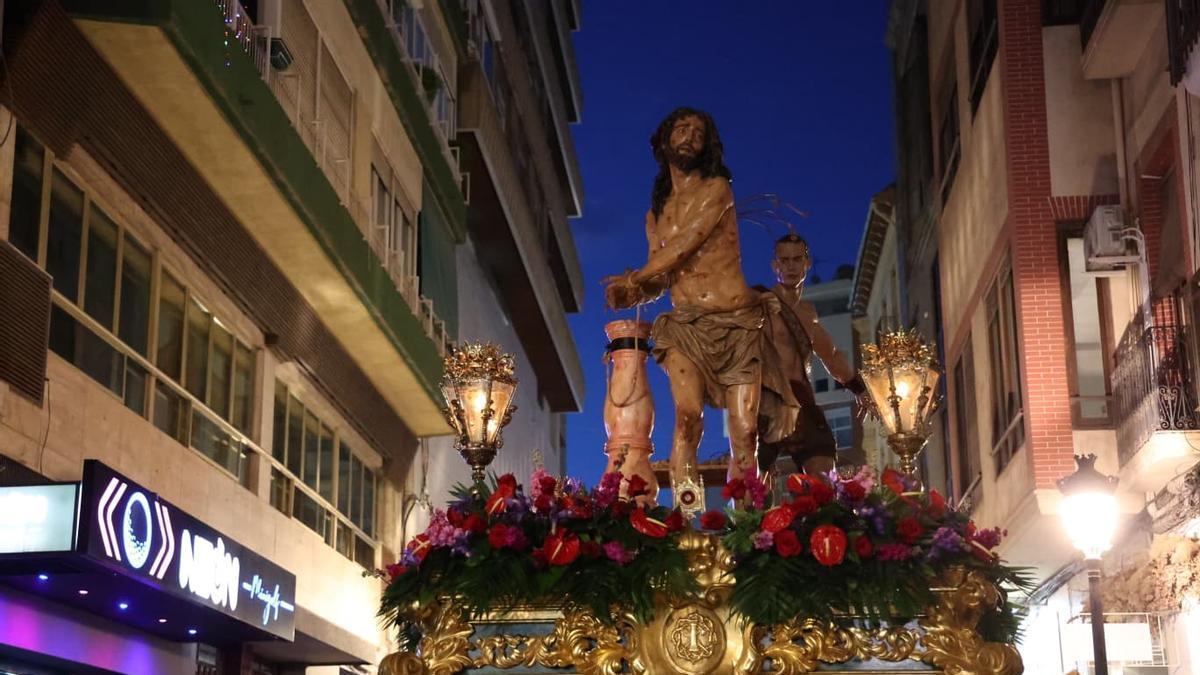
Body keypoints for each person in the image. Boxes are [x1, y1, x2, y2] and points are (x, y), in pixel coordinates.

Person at [604, 107, 798, 486]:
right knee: (687, 418)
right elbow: (663, 274)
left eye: (698, 131)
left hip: (737, 324)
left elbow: (684, 245)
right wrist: (634, 291)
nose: (689, 136)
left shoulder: (717, 189)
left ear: (708, 144)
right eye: (681, 128)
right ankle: (684, 517)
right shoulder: (655, 215)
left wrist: (633, 276)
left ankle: (748, 523)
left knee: (743, 432)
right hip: (686, 327)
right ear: (665, 140)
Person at [758, 234, 867, 476]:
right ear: (775, 266)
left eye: (797, 260)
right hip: (765, 398)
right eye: (784, 261)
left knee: (823, 464)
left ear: (807, 264)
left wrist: (860, 389)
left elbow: (832, 355)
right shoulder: (759, 304)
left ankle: (824, 513)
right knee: (755, 479)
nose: (790, 266)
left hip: (801, 399)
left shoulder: (808, 314)